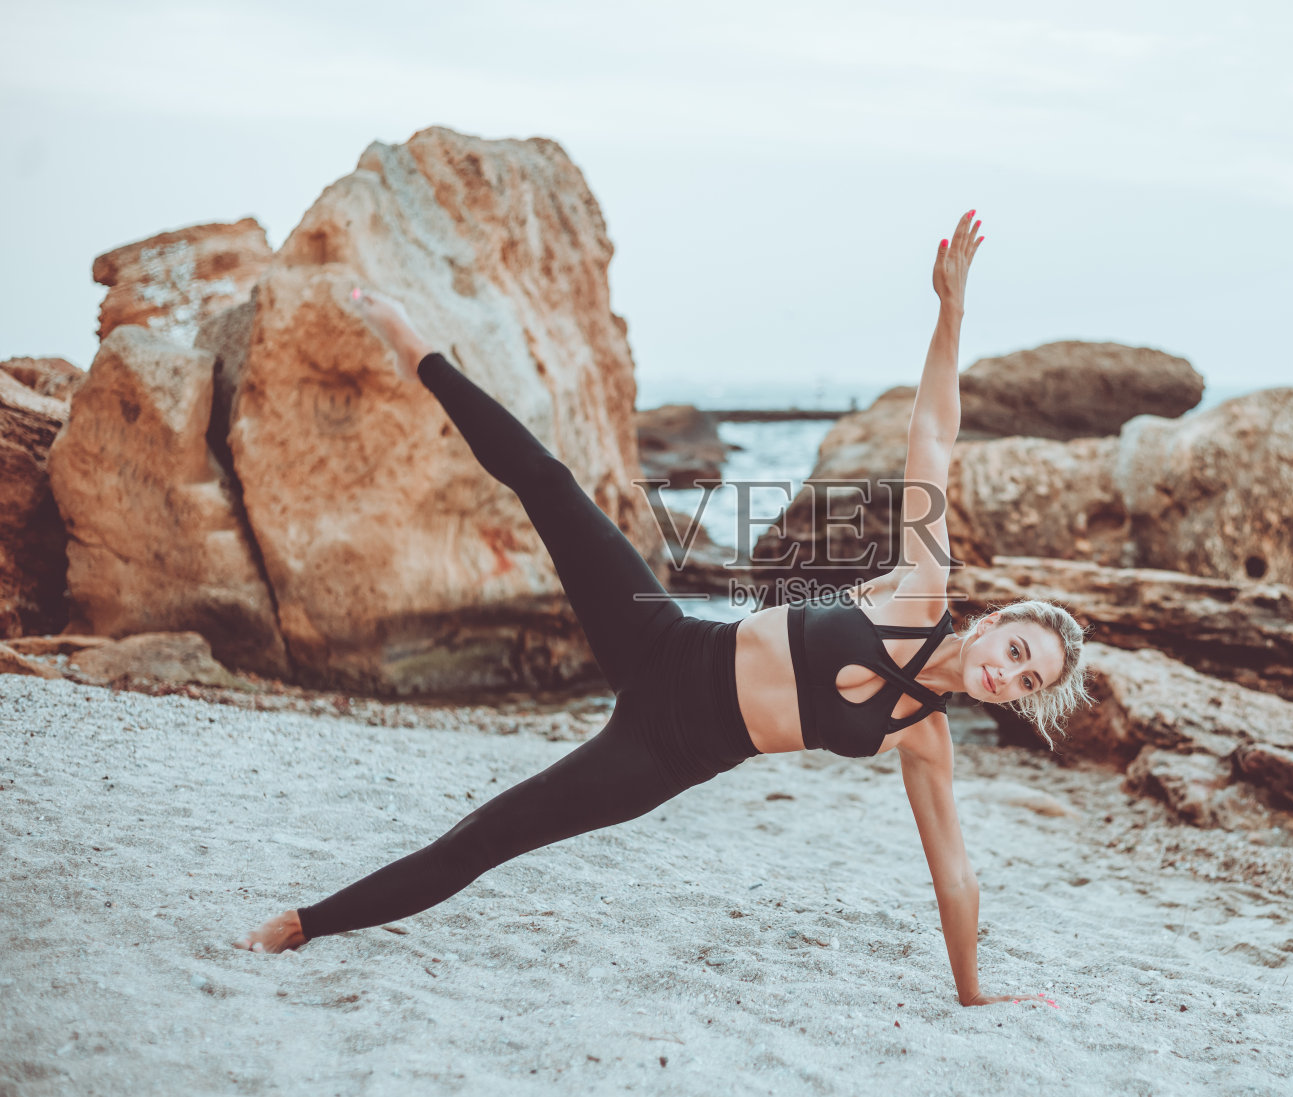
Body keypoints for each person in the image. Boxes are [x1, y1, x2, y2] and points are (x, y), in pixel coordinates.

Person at [234, 211, 1092, 1007]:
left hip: (666, 753)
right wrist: (950, 313)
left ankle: (303, 922)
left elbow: (954, 874)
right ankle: (412, 343)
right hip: (665, 643)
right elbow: (933, 439)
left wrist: (975, 994)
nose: (1007, 670)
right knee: (548, 483)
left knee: (489, 837)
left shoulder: (924, 737)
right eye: (1016, 647)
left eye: (1026, 678)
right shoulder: (922, 588)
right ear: (993, 621)